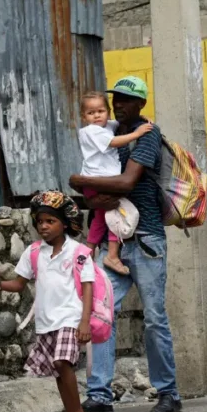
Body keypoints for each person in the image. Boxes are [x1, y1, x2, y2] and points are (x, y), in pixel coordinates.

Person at [69, 76, 182, 412]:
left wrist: (82, 181)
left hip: (146, 239)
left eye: (125, 100)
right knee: (101, 315)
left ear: (141, 105)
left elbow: (125, 182)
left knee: (154, 320)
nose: (118, 105)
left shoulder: (147, 134)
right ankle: (100, 397)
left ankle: (168, 393)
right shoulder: (107, 134)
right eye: (115, 99)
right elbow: (102, 186)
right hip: (114, 238)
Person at [0, 191, 94, 412]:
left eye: (50, 221)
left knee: (63, 363)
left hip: (70, 318)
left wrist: (84, 321)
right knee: (59, 372)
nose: (43, 226)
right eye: (40, 221)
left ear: (64, 223)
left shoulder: (79, 251)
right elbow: (19, 284)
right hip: (45, 322)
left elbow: (87, 286)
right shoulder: (33, 252)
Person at [78, 91, 152, 276]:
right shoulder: (91, 131)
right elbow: (114, 142)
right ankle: (112, 255)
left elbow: (120, 123)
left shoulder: (106, 126)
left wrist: (139, 118)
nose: (96, 115)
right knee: (116, 215)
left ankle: (87, 250)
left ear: (108, 112)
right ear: (83, 117)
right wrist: (138, 133)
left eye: (101, 111)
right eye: (91, 113)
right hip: (100, 181)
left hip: (97, 182)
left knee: (101, 219)